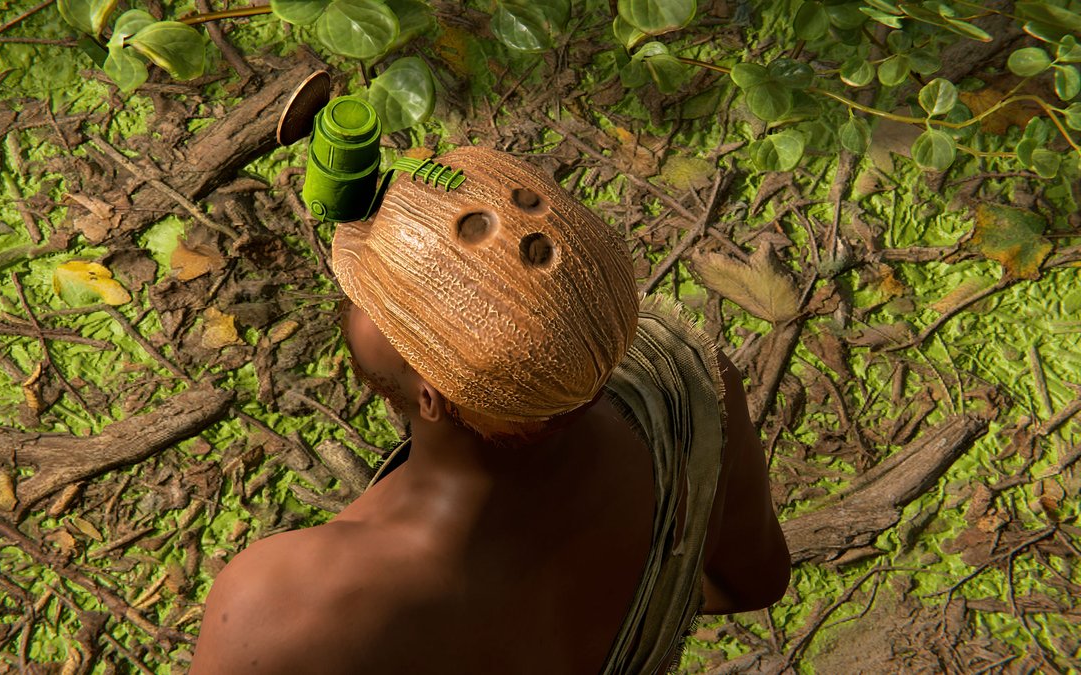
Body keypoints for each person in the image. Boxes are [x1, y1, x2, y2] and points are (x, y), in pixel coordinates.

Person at [191, 147, 790, 675]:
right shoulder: (688, 384)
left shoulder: (281, 608)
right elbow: (753, 581)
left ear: (430, 395)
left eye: (379, 298)